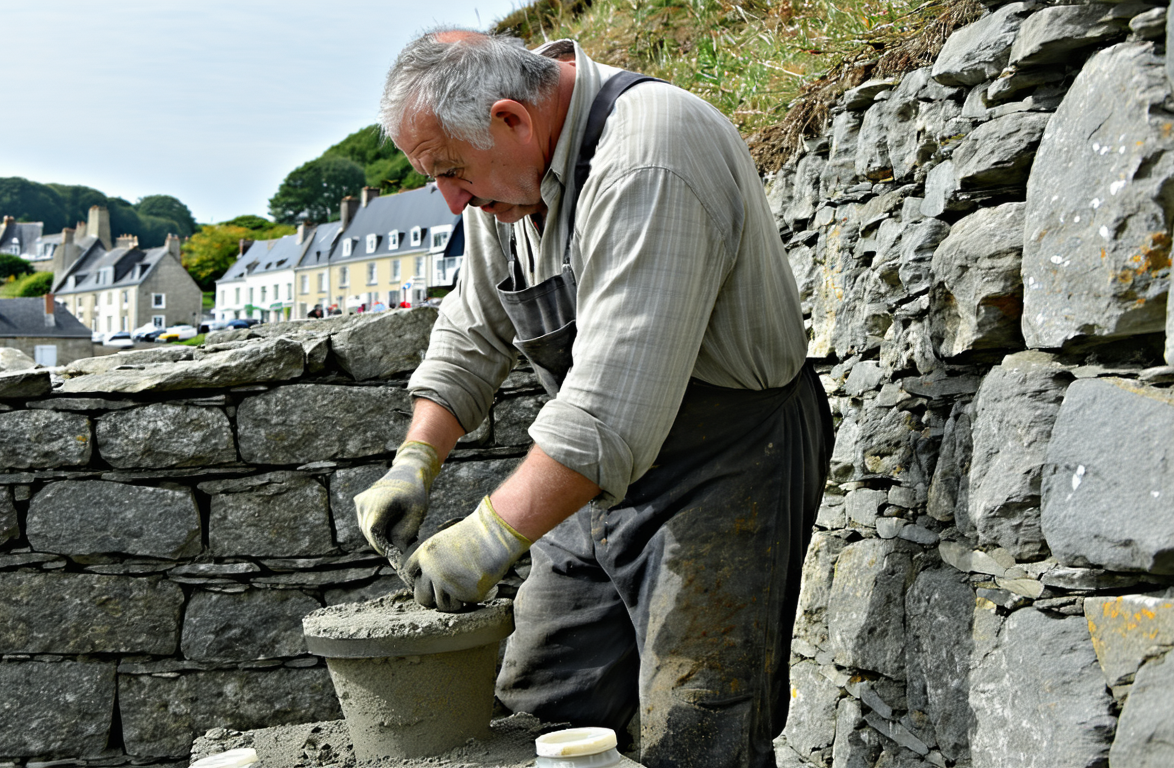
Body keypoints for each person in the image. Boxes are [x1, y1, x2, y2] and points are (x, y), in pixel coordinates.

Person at [355, 30, 832, 768]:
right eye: (435, 180)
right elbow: (472, 328)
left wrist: (486, 539)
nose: (452, 203)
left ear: (512, 119)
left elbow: (613, 406)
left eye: (452, 173)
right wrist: (416, 459)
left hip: (725, 466)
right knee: (540, 708)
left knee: (700, 729)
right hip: (592, 477)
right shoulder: (504, 189)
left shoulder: (651, 154)